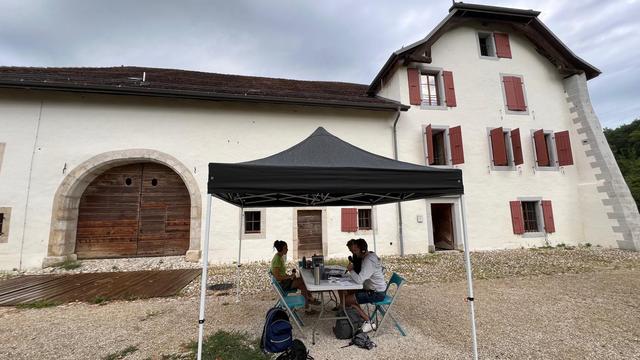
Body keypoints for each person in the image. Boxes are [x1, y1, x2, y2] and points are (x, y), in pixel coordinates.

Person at [344, 238, 386, 332]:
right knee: (348, 293)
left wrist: (351, 270)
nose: (354, 253)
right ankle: (351, 314)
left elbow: (359, 280)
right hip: (372, 289)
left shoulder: (368, 261)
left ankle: (369, 322)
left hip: (376, 293)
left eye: (355, 250)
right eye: (352, 251)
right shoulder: (368, 256)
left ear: (362, 249)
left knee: (346, 300)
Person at [271, 240, 319, 313]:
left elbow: (282, 273)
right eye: (286, 248)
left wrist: (290, 275)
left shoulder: (280, 257)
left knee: (303, 284)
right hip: (282, 284)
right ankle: (309, 301)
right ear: (281, 249)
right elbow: (277, 277)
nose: (287, 249)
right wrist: (289, 277)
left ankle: (308, 303)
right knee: (304, 282)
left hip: (284, 282)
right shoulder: (277, 259)